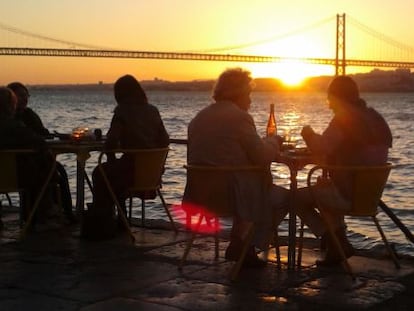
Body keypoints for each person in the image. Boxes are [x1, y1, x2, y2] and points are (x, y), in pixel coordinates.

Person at [185, 68, 290, 267]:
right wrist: (274, 141)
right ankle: (245, 246)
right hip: (231, 197)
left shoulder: (198, 119)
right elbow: (261, 156)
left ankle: (241, 244)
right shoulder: (239, 117)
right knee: (284, 198)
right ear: (240, 93)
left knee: (244, 184)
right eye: (249, 94)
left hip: (200, 196)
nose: (250, 100)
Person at [296, 75, 393, 265]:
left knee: (293, 199)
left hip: (345, 194)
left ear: (337, 98)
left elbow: (321, 147)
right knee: (325, 189)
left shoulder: (344, 119)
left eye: (330, 99)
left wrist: (307, 133)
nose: (329, 105)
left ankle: (335, 241)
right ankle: (337, 246)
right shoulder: (376, 118)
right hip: (368, 197)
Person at [82, 74, 169, 240]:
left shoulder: (122, 112)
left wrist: (112, 157)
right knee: (112, 174)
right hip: (152, 175)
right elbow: (164, 140)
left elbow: (111, 142)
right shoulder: (153, 110)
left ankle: (108, 220)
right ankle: (121, 220)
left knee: (100, 173)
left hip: (131, 172)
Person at [7, 82, 75, 223]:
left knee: (52, 168)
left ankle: (50, 212)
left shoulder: (28, 115)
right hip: (21, 171)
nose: (25, 99)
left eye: (27, 96)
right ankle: (61, 213)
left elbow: (43, 134)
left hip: (11, 171)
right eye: (20, 96)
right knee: (54, 170)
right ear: (11, 101)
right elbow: (39, 140)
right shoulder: (15, 125)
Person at [0, 86, 59, 230]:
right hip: (15, 177)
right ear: (10, 106)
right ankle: (44, 214)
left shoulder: (25, 118)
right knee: (49, 171)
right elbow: (38, 142)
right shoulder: (14, 126)